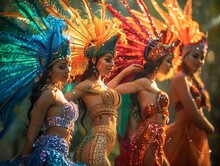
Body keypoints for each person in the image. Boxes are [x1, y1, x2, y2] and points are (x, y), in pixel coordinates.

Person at [42, 0, 141, 165]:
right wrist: (50, 90)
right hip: (96, 145)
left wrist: (126, 71)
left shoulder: (100, 87)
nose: (112, 64)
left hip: (104, 145)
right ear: (94, 59)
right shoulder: (87, 85)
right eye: (108, 60)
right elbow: (61, 99)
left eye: (113, 61)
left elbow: (108, 89)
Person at [0, 1, 84, 165]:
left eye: (69, 65)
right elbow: (33, 130)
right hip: (49, 156)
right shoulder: (48, 93)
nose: (68, 69)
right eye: (62, 66)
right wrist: (24, 159)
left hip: (61, 155)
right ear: (49, 71)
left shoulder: (58, 92)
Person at [106, 1, 180, 165]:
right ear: (158, 60)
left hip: (158, 137)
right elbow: (110, 89)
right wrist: (126, 72)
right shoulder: (143, 83)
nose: (171, 66)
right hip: (148, 136)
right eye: (168, 61)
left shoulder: (153, 84)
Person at [151, 0, 215, 165]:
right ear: (184, 55)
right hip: (182, 135)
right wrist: (210, 128)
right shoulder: (180, 78)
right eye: (195, 56)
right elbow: (193, 113)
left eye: (202, 57)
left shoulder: (192, 80)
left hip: (195, 135)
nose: (200, 61)